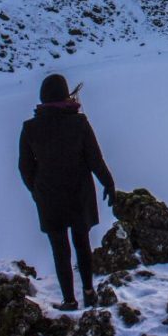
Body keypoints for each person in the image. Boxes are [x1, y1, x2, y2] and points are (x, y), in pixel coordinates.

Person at [19, 74, 115, 311]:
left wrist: (37, 190)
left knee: (59, 249)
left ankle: (69, 300)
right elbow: (95, 159)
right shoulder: (79, 123)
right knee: (82, 244)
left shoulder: (30, 128)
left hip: (49, 198)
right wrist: (108, 183)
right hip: (78, 193)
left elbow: (25, 167)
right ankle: (89, 292)